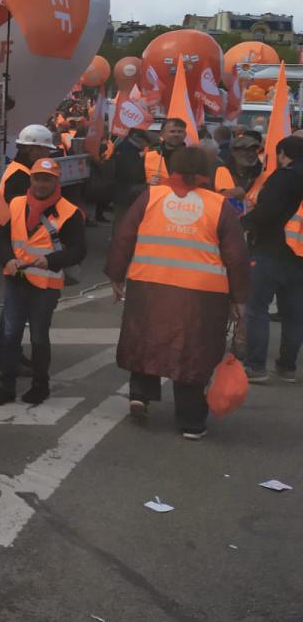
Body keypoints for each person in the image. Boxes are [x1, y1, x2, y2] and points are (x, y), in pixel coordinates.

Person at [106, 147, 250, 438]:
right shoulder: (218, 205)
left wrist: (117, 275)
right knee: (192, 353)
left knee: (144, 339)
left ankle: (139, 394)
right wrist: (239, 297)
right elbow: (236, 255)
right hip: (202, 295)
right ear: (207, 170)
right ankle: (191, 422)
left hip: (148, 285)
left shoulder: (151, 196)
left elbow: (124, 235)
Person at [0, 157, 86, 406]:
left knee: (39, 337)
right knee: (10, 336)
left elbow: (78, 250)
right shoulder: (16, 204)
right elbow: (0, 237)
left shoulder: (70, 212)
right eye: (37, 178)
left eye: (47, 179)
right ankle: (6, 387)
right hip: (16, 278)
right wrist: (7, 260)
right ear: (30, 179)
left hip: (45, 285)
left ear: (56, 181)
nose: (41, 184)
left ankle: (40, 387)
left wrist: (50, 260)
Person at [240, 135, 303, 382]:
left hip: (271, 249)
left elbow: (267, 210)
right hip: (300, 255)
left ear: (283, 153)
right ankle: (287, 367)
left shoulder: (284, 177)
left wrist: (244, 224)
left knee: (257, 308)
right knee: (295, 314)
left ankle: (256, 366)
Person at [145, 118, 188, 184]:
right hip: (157, 194)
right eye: (172, 131)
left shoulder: (194, 157)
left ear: (185, 134)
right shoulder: (148, 157)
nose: (176, 135)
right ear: (162, 134)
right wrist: (147, 182)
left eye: (180, 131)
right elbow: (132, 185)